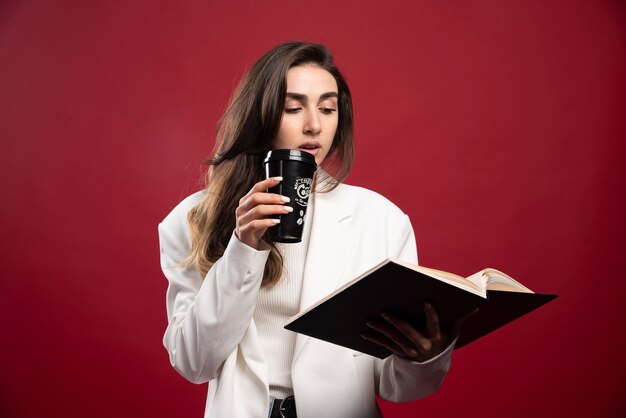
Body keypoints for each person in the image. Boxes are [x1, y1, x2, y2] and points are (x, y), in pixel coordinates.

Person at [159, 41, 467, 418]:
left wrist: (425, 357)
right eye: (293, 108)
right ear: (261, 117)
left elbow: (393, 384)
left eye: (327, 108)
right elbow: (193, 362)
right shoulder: (191, 219)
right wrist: (242, 246)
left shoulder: (381, 219)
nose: (314, 125)